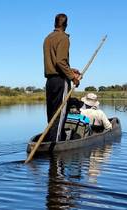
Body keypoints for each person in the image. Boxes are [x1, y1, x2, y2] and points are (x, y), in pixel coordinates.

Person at [43, 13, 82, 142]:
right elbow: (60, 61)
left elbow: (55, 63)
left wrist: (70, 69)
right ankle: (57, 143)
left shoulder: (48, 38)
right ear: (66, 25)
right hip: (60, 81)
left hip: (50, 81)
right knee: (60, 114)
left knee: (51, 114)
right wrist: (73, 77)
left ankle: (51, 138)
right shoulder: (64, 38)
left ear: (55, 23)